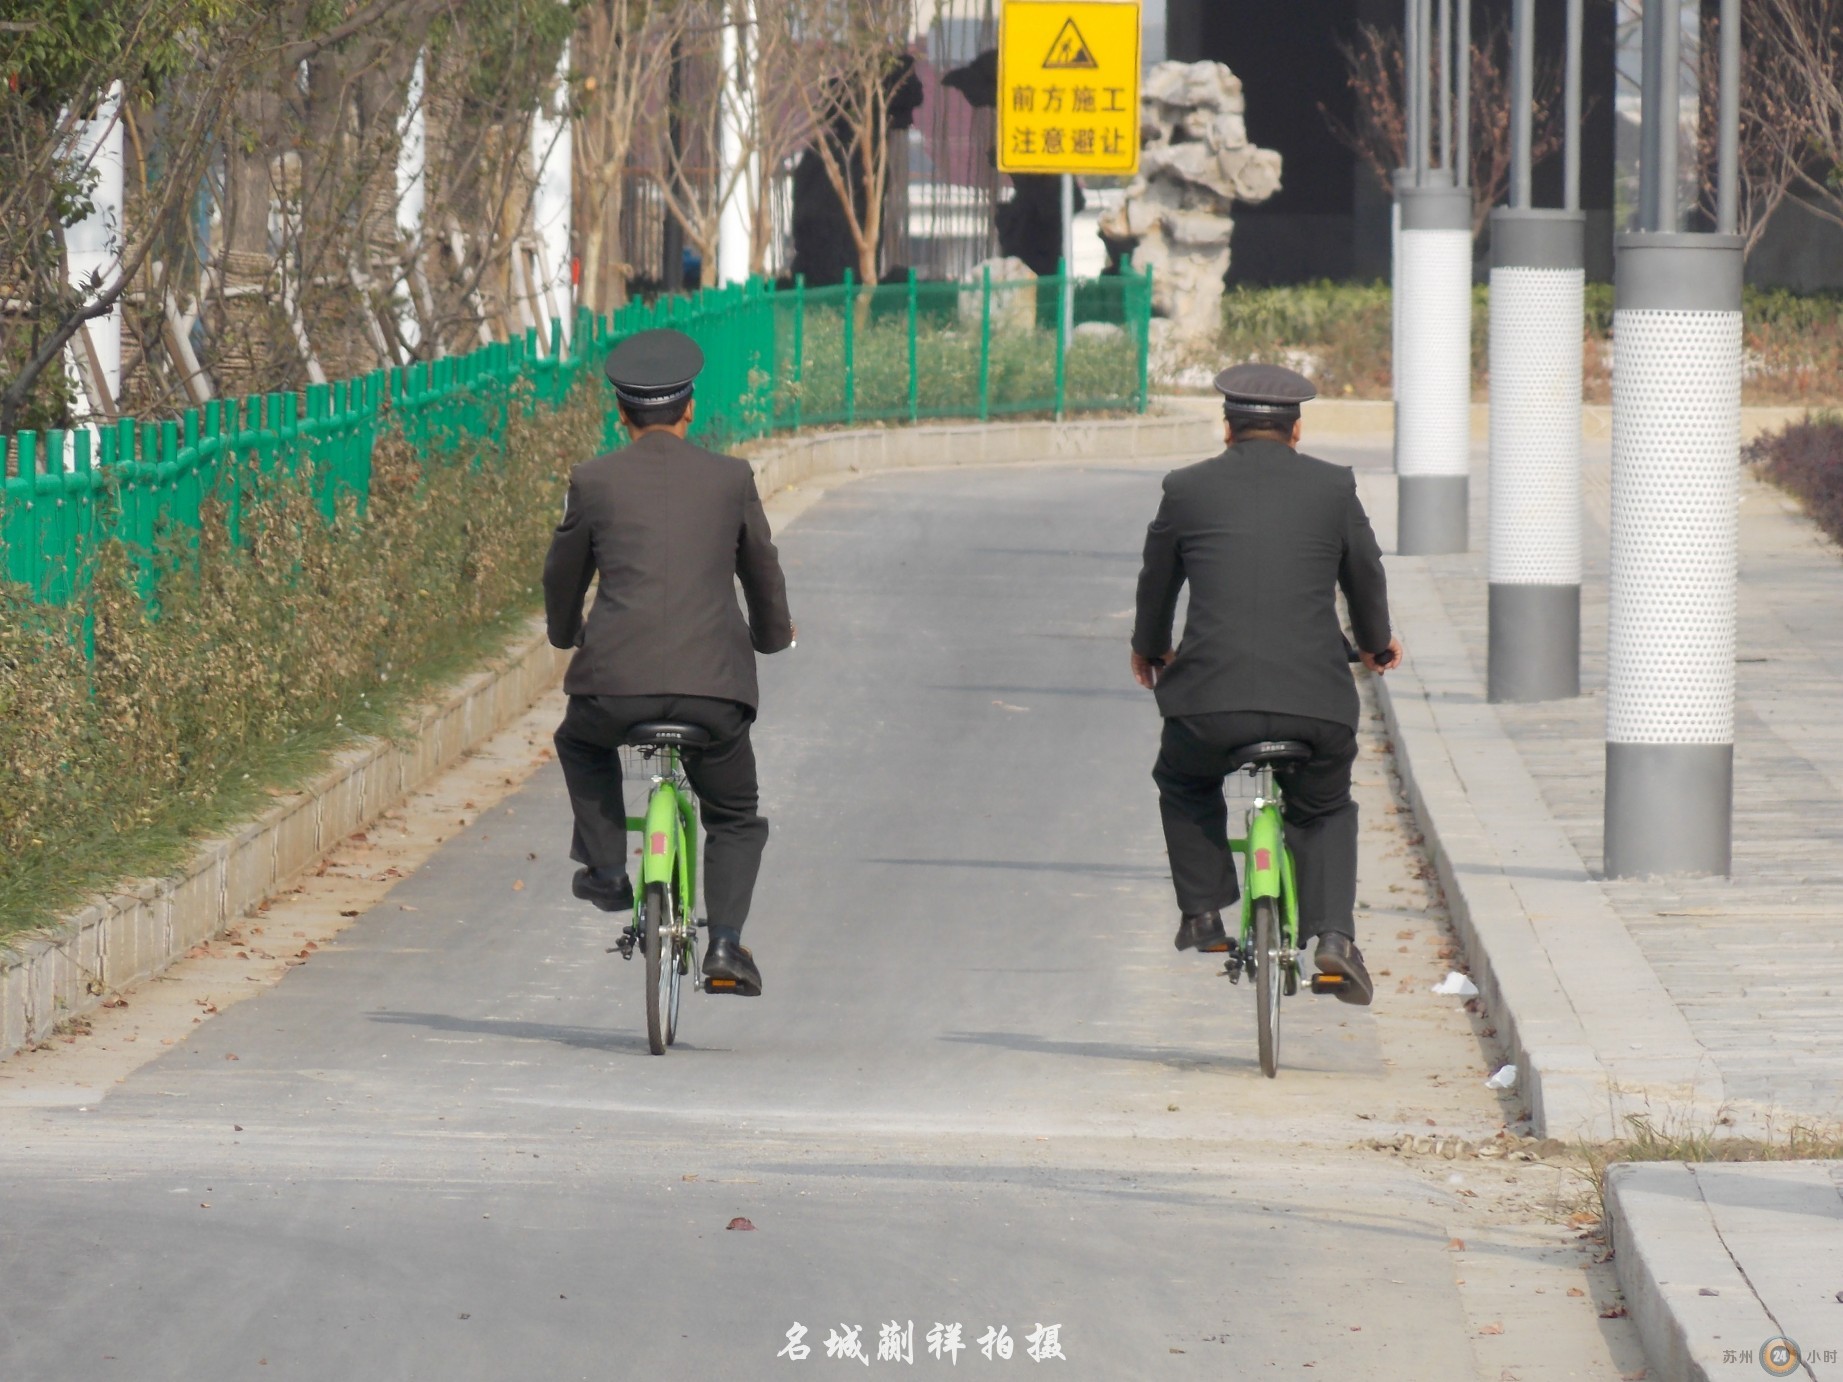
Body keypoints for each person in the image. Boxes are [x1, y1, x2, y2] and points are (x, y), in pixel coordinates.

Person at [1129, 363, 1402, 1006]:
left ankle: (1202, 911)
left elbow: (1157, 580)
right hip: (1315, 706)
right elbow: (1365, 574)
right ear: (1296, 430)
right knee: (1324, 807)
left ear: (1226, 429)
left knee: (1183, 780)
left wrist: (1151, 648)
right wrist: (1374, 643)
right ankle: (1333, 936)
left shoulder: (1185, 488)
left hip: (1209, 707)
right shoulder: (1334, 487)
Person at [543, 328, 794, 998]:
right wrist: (772, 637)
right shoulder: (730, 478)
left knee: (580, 742)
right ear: (690, 409)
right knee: (734, 814)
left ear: (620, 414)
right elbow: (761, 569)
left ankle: (606, 869)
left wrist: (565, 634)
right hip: (713, 693)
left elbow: (563, 574)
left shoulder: (593, 480)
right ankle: (726, 945)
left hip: (613, 689)